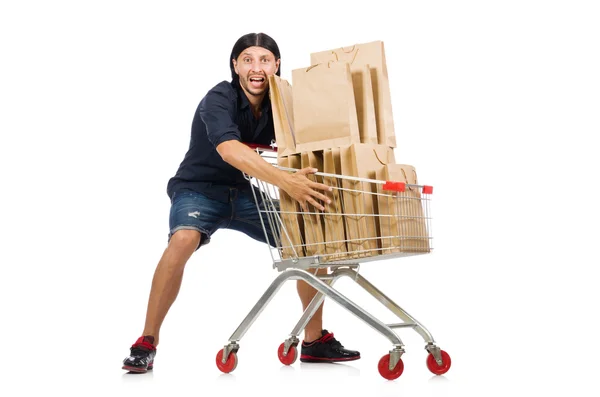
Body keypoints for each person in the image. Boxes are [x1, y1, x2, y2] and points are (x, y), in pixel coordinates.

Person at [122, 33, 360, 373]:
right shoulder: (218, 98)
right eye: (247, 59)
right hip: (198, 189)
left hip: (242, 192)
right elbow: (230, 150)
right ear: (235, 66)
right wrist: (288, 182)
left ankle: (314, 340)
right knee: (184, 239)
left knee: (307, 242)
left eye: (265, 59)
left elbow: (312, 137)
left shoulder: (281, 103)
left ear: (276, 65)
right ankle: (146, 342)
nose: (256, 67)